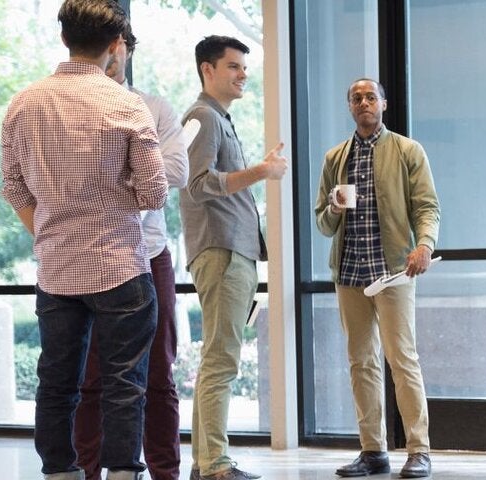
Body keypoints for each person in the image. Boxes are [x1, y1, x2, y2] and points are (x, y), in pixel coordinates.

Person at [0, 1, 167, 478]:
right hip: (120, 269)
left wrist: (51, 231)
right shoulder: (126, 103)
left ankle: (59, 471)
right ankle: (121, 472)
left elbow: (13, 187)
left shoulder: (24, 102)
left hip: (55, 271)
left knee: (55, 381)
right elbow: (154, 192)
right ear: (116, 47)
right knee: (123, 383)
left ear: (63, 39)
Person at [72, 26, 189, 480]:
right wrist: (136, 169)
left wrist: (114, 172)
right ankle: (89, 470)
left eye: (119, 45)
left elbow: (176, 171)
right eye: (106, 44)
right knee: (91, 374)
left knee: (158, 369)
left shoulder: (154, 106)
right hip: (88, 253)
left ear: (125, 50)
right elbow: (67, 176)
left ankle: (164, 471)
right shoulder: (71, 109)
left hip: (148, 251)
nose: (113, 53)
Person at [314, 78, 440, 478]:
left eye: (371, 97)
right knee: (361, 362)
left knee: (402, 359)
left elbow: (427, 206)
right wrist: (334, 207)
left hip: (394, 272)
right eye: (357, 98)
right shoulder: (336, 157)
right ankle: (373, 451)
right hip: (350, 272)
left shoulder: (407, 151)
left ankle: (419, 449)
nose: (364, 102)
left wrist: (424, 245)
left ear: (383, 104)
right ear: (349, 107)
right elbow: (322, 223)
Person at [181, 34, 288, 480]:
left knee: (218, 359)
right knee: (221, 360)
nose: (243, 74)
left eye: (244, 67)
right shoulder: (202, 116)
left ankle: (205, 462)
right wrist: (261, 172)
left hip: (233, 252)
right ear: (208, 69)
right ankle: (215, 465)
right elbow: (197, 184)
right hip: (221, 251)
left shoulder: (217, 118)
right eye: (234, 66)